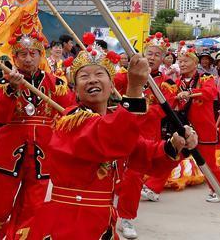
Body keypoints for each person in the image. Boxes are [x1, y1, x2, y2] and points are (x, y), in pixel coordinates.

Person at [27, 43, 195, 240]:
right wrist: (134, 89)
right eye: (84, 76)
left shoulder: (110, 121)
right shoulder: (71, 120)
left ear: (111, 84)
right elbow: (110, 138)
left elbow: (144, 154)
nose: (92, 80)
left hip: (102, 222)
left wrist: (176, 145)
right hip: (70, 222)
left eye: (99, 74)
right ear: (76, 90)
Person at [0, 11, 73, 240]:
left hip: (42, 158)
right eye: (22, 54)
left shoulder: (56, 84)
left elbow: (70, 112)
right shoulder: (4, 84)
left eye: (33, 53)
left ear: (40, 55)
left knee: (32, 210)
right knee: (1, 209)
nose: (28, 59)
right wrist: (11, 91)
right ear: (14, 57)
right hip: (9, 156)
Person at [113, 32, 177, 239]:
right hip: (120, 130)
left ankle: (126, 218)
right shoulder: (129, 73)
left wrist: (144, 108)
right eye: (149, 53)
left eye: (157, 55)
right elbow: (114, 85)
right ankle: (109, 208)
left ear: (164, 59)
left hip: (146, 135)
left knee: (133, 176)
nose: (152, 57)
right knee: (112, 171)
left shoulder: (166, 83)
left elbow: (166, 108)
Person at [174, 44, 220, 202]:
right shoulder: (177, 82)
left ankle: (218, 189)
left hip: (204, 128)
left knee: (208, 163)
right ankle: (153, 188)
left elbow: (211, 93)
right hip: (184, 127)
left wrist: (189, 93)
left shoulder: (205, 78)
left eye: (186, 61)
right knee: (172, 157)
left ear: (195, 63)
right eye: (180, 61)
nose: (182, 64)